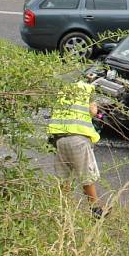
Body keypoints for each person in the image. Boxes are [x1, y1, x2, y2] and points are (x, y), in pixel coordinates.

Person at [47, 81, 104, 218]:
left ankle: (63, 208)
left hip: (59, 139)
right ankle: (96, 210)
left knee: (64, 176)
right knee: (86, 176)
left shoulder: (63, 90)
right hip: (78, 139)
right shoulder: (88, 90)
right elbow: (93, 111)